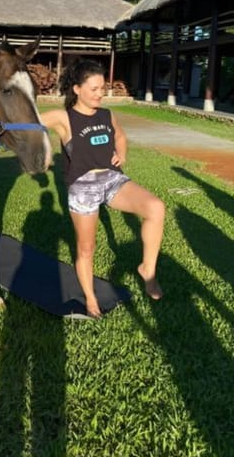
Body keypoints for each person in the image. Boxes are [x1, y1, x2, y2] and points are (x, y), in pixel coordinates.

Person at [41, 59, 165, 317]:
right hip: (83, 187)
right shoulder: (64, 117)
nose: (101, 93)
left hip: (111, 179)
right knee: (87, 248)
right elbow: (28, 123)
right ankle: (90, 298)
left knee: (156, 208)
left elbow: (120, 135)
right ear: (76, 89)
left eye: (103, 88)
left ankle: (148, 271)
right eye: (94, 89)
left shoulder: (106, 114)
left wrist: (122, 154)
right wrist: (0, 123)